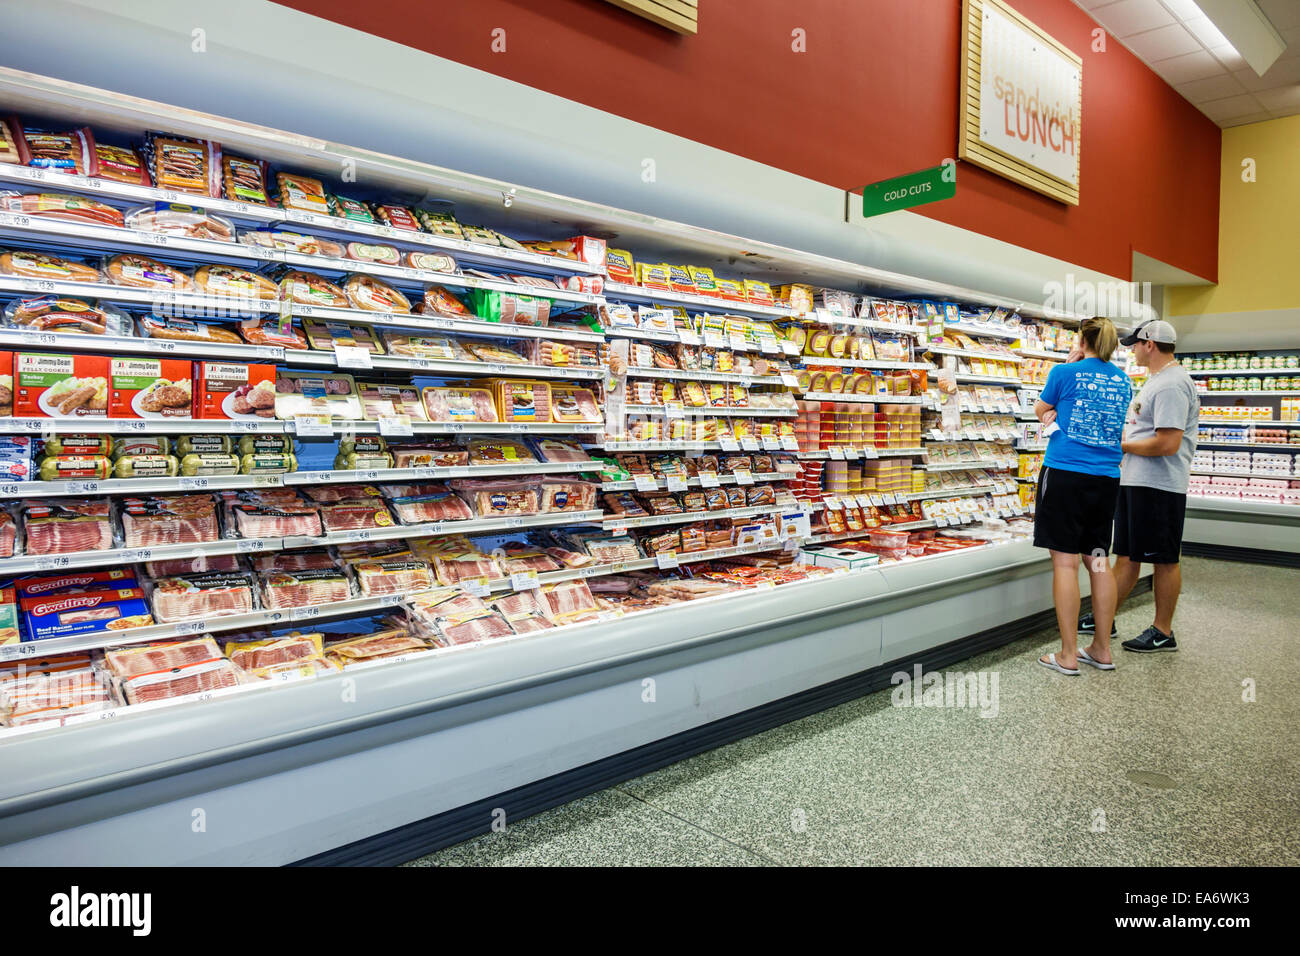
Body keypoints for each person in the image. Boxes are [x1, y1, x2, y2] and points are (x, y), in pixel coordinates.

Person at [1078, 319, 1199, 653]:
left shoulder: (1172, 385)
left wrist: (1123, 446)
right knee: (1128, 555)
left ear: (1150, 344)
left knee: (1164, 558)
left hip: (1159, 485)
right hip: (1138, 481)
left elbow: (1168, 443)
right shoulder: (1157, 381)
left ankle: (1163, 630)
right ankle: (1105, 615)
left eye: (1134, 344)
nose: (1130, 350)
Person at [1031, 316, 1132, 676]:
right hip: (1106, 479)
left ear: (1081, 340)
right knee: (1099, 561)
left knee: (1065, 563)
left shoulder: (1063, 373)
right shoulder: (1123, 381)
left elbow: (1041, 410)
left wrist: (1069, 369)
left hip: (1065, 474)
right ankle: (1102, 649)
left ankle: (1068, 654)